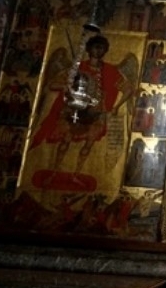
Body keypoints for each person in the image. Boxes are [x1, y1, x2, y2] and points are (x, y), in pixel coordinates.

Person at [28, 34, 134, 187]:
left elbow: (129, 89)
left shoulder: (110, 71)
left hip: (96, 114)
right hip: (75, 110)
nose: (98, 51)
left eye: (102, 48)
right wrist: (68, 87)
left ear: (105, 51)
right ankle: (55, 172)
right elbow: (52, 84)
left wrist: (116, 107)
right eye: (95, 47)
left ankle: (76, 175)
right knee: (66, 141)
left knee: (89, 144)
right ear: (89, 49)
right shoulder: (77, 68)